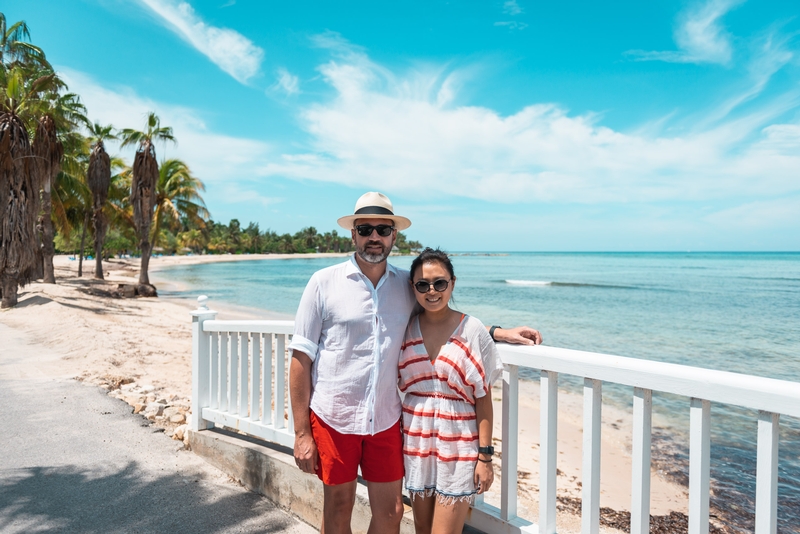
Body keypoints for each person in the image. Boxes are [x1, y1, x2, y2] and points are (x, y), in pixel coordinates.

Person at [288, 192, 541, 534]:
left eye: (382, 229)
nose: (373, 237)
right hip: (335, 416)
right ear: (353, 234)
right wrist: (302, 433)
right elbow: (301, 358)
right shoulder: (323, 283)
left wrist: (498, 331)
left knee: (392, 511)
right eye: (365, 229)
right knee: (338, 508)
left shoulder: (406, 288)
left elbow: (443, 314)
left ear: (394, 235)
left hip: (386, 419)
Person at [399, 248, 501, 534]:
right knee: (422, 530)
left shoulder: (472, 330)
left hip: (458, 448)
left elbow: (483, 399)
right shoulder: (405, 327)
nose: (432, 291)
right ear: (413, 288)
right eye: (423, 284)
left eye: (440, 283)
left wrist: (485, 457)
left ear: (452, 283)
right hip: (417, 445)